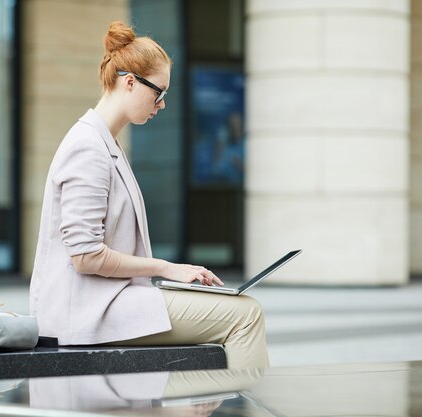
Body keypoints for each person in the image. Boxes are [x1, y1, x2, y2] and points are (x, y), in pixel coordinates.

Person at [29, 21, 269, 369]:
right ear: (129, 82)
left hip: (105, 302)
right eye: (159, 92)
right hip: (86, 312)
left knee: (240, 308)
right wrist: (168, 269)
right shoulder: (88, 147)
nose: (162, 104)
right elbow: (85, 255)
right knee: (244, 315)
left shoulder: (103, 143)